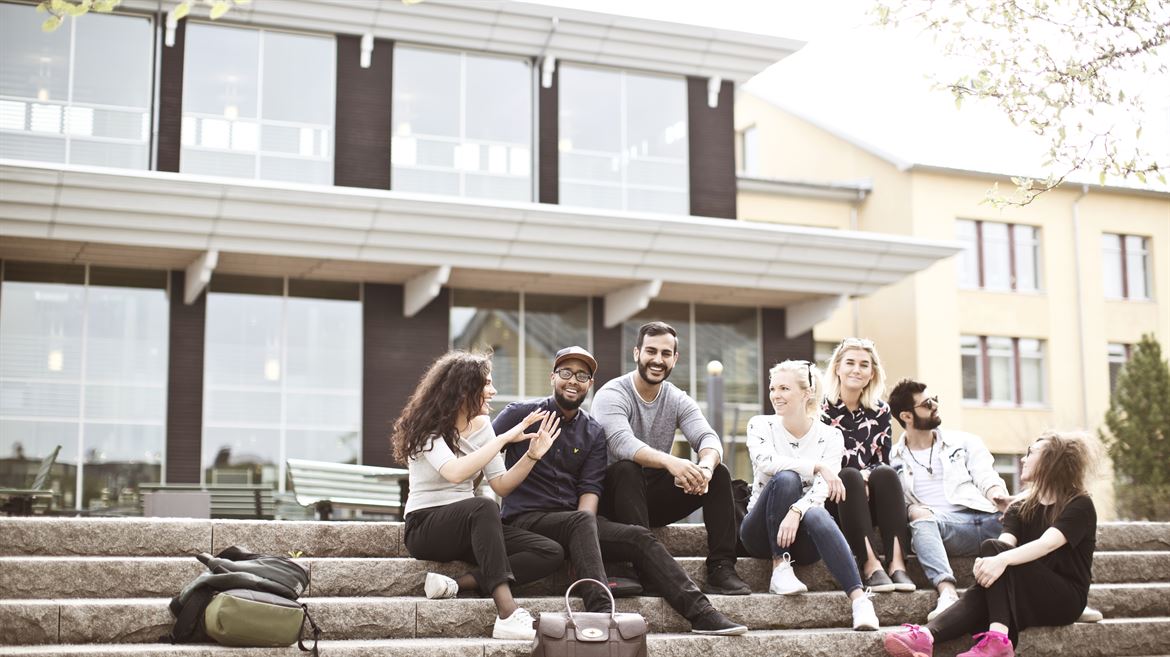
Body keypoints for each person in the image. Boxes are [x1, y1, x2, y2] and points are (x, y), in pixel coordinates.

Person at [491, 346, 748, 635]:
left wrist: (585, 535)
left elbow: (590, 489)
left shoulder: (592, 431)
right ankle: (602, 614)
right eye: (566, 373)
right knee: (585, 518)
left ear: (590, 384)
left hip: (574, 523)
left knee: (638, 536)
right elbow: (482, 451)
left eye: (582, 375)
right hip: (525, 520)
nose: (573, 381)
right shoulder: (521, 414)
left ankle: (703, 614)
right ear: (553, 377)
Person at [391, 351, 565, 641]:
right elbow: (455, 472)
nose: (493, 391)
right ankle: (507, 614)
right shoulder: (427, 429)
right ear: (463, 390)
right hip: (426, 527)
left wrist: (532, 457)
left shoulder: (483, 427)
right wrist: (503, 438)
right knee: (483, 508)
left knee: (550, 551)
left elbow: (501, 484)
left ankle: (457, 585)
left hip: (470, 525)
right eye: (486, 384)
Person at [883, 432, 1098, 657]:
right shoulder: (1020, 507)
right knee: (990, 553)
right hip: (1025, 593)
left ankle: (996, 641)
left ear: (1051, 461)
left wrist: (999, 559)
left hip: (1065, 598)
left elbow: (1046, 544)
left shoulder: (1079, 504)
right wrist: (988, 564)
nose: (1023, 460)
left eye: (1030, 454)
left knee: (996, 556)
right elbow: (1003, 544)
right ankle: (929, 638)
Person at [593, 321, 750, 595]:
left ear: (675, 359)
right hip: (612, 500)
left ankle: (721, 568)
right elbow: (621, 443)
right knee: (627, 469)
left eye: (665, 354)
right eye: (650, 351)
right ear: (636, 353)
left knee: (720, 473)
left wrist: (706, 468)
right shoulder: (612, 393)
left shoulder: (677, 399)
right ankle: (644, 566)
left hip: (649, 498)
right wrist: (670, 462)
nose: (657, 360)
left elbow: (708, 439)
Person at [739, 360, 880, 632]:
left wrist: (796, 511)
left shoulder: (830, 436)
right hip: (759, 533)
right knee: (787, 478)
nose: (775, 395)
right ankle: (779, 566)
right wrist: (817, 466)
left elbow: (821, 491)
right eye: (772, 388)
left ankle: (860, 601)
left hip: (801, 539)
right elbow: (766, 462)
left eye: (784, 388)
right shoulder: (760, 425)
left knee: (817, 512)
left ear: (806, 393)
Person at [886, 378, 1011, 621]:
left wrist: (997, 494)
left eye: (935, 400)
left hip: (988, 517)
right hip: (944, 528)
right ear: (907, 416)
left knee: (1037, 511)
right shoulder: (894, 458)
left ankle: (1067, 596)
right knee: (920, 518)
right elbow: (898, 502)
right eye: (927, 403)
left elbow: (985, 473)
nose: (935, 406)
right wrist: (911, 509)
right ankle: (947, 593)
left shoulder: (964, 442)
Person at [821, 338, 914, 593]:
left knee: (885, 473)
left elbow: (881, 460)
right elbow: (818, 461)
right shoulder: (820, 409)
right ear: (837, 368)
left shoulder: (880, 411)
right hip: (832, 498)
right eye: (850, 363)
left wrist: (866, 477)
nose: (856, 370)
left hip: (869, 497)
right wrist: (857, 477)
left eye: (864, 365)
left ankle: (897, 564)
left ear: (872, 373)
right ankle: (870, 565)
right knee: (849, 476)